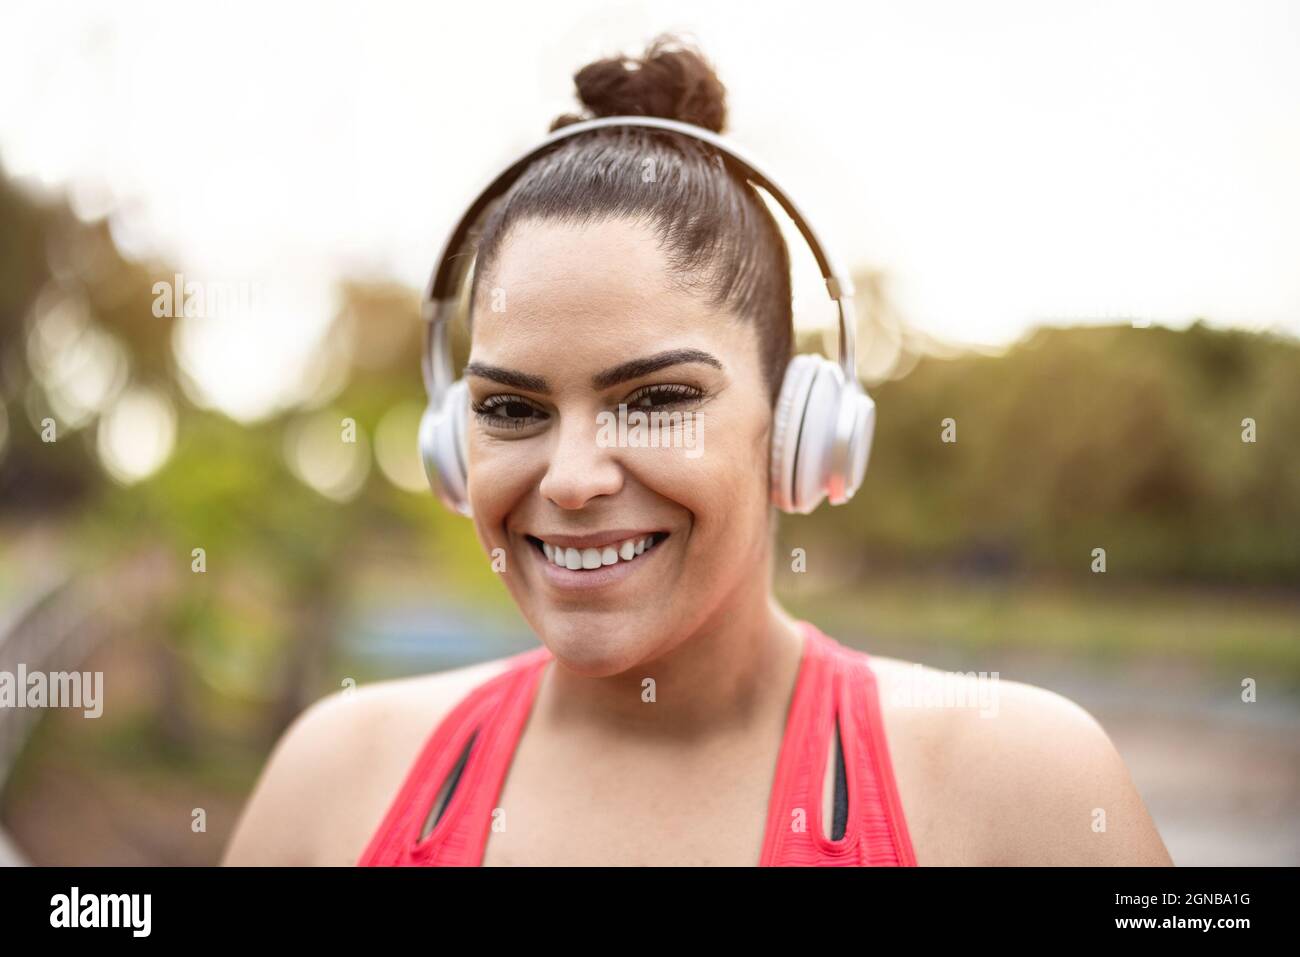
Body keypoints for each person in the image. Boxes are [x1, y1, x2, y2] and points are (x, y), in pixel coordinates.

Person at [222, 34, 1173, 867]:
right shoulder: (332, 779)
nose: (574, 478)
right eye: (512, 408)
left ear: (802, 425)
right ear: (449, 443)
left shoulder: (1023, 790)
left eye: (659, 400)